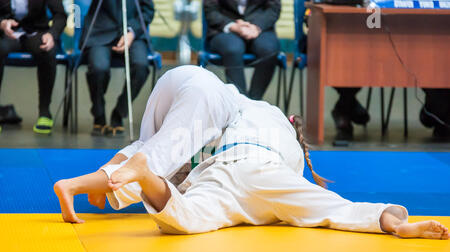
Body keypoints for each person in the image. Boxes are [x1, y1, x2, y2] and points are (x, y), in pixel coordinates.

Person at [54, 66, 449, 240]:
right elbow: (339, 209)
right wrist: (397, 221)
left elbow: (162, 148)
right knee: (341, 210)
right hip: (254, 170)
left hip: (222, 170)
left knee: (180, 210)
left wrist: (101, 183)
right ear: (296, 135)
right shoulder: (261, 124)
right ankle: (396, 227)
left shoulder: (242, 111)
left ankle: (138, 175)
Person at [81, 0, 155, 136]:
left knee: (141, 66)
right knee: (99, 68)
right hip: (100, 32)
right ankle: (99, 115)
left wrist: (132, 32)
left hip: (133, 34)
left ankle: (119, 113)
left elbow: (148, 11)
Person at [0, 0, 67, 134]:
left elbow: (60, 15)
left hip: (35, 32)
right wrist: (1, 23)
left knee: (47, 50)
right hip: (5, 35)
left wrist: (51, 34)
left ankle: (44, 112)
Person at [204, 0, 281, 100]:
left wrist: (255, 26)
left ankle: (254, 101)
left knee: (269, 49)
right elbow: (211, 10)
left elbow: (273, 8)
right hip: (225, 29)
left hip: (259, 28)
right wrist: (233, 26)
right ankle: (240, 101)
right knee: (233, 49)